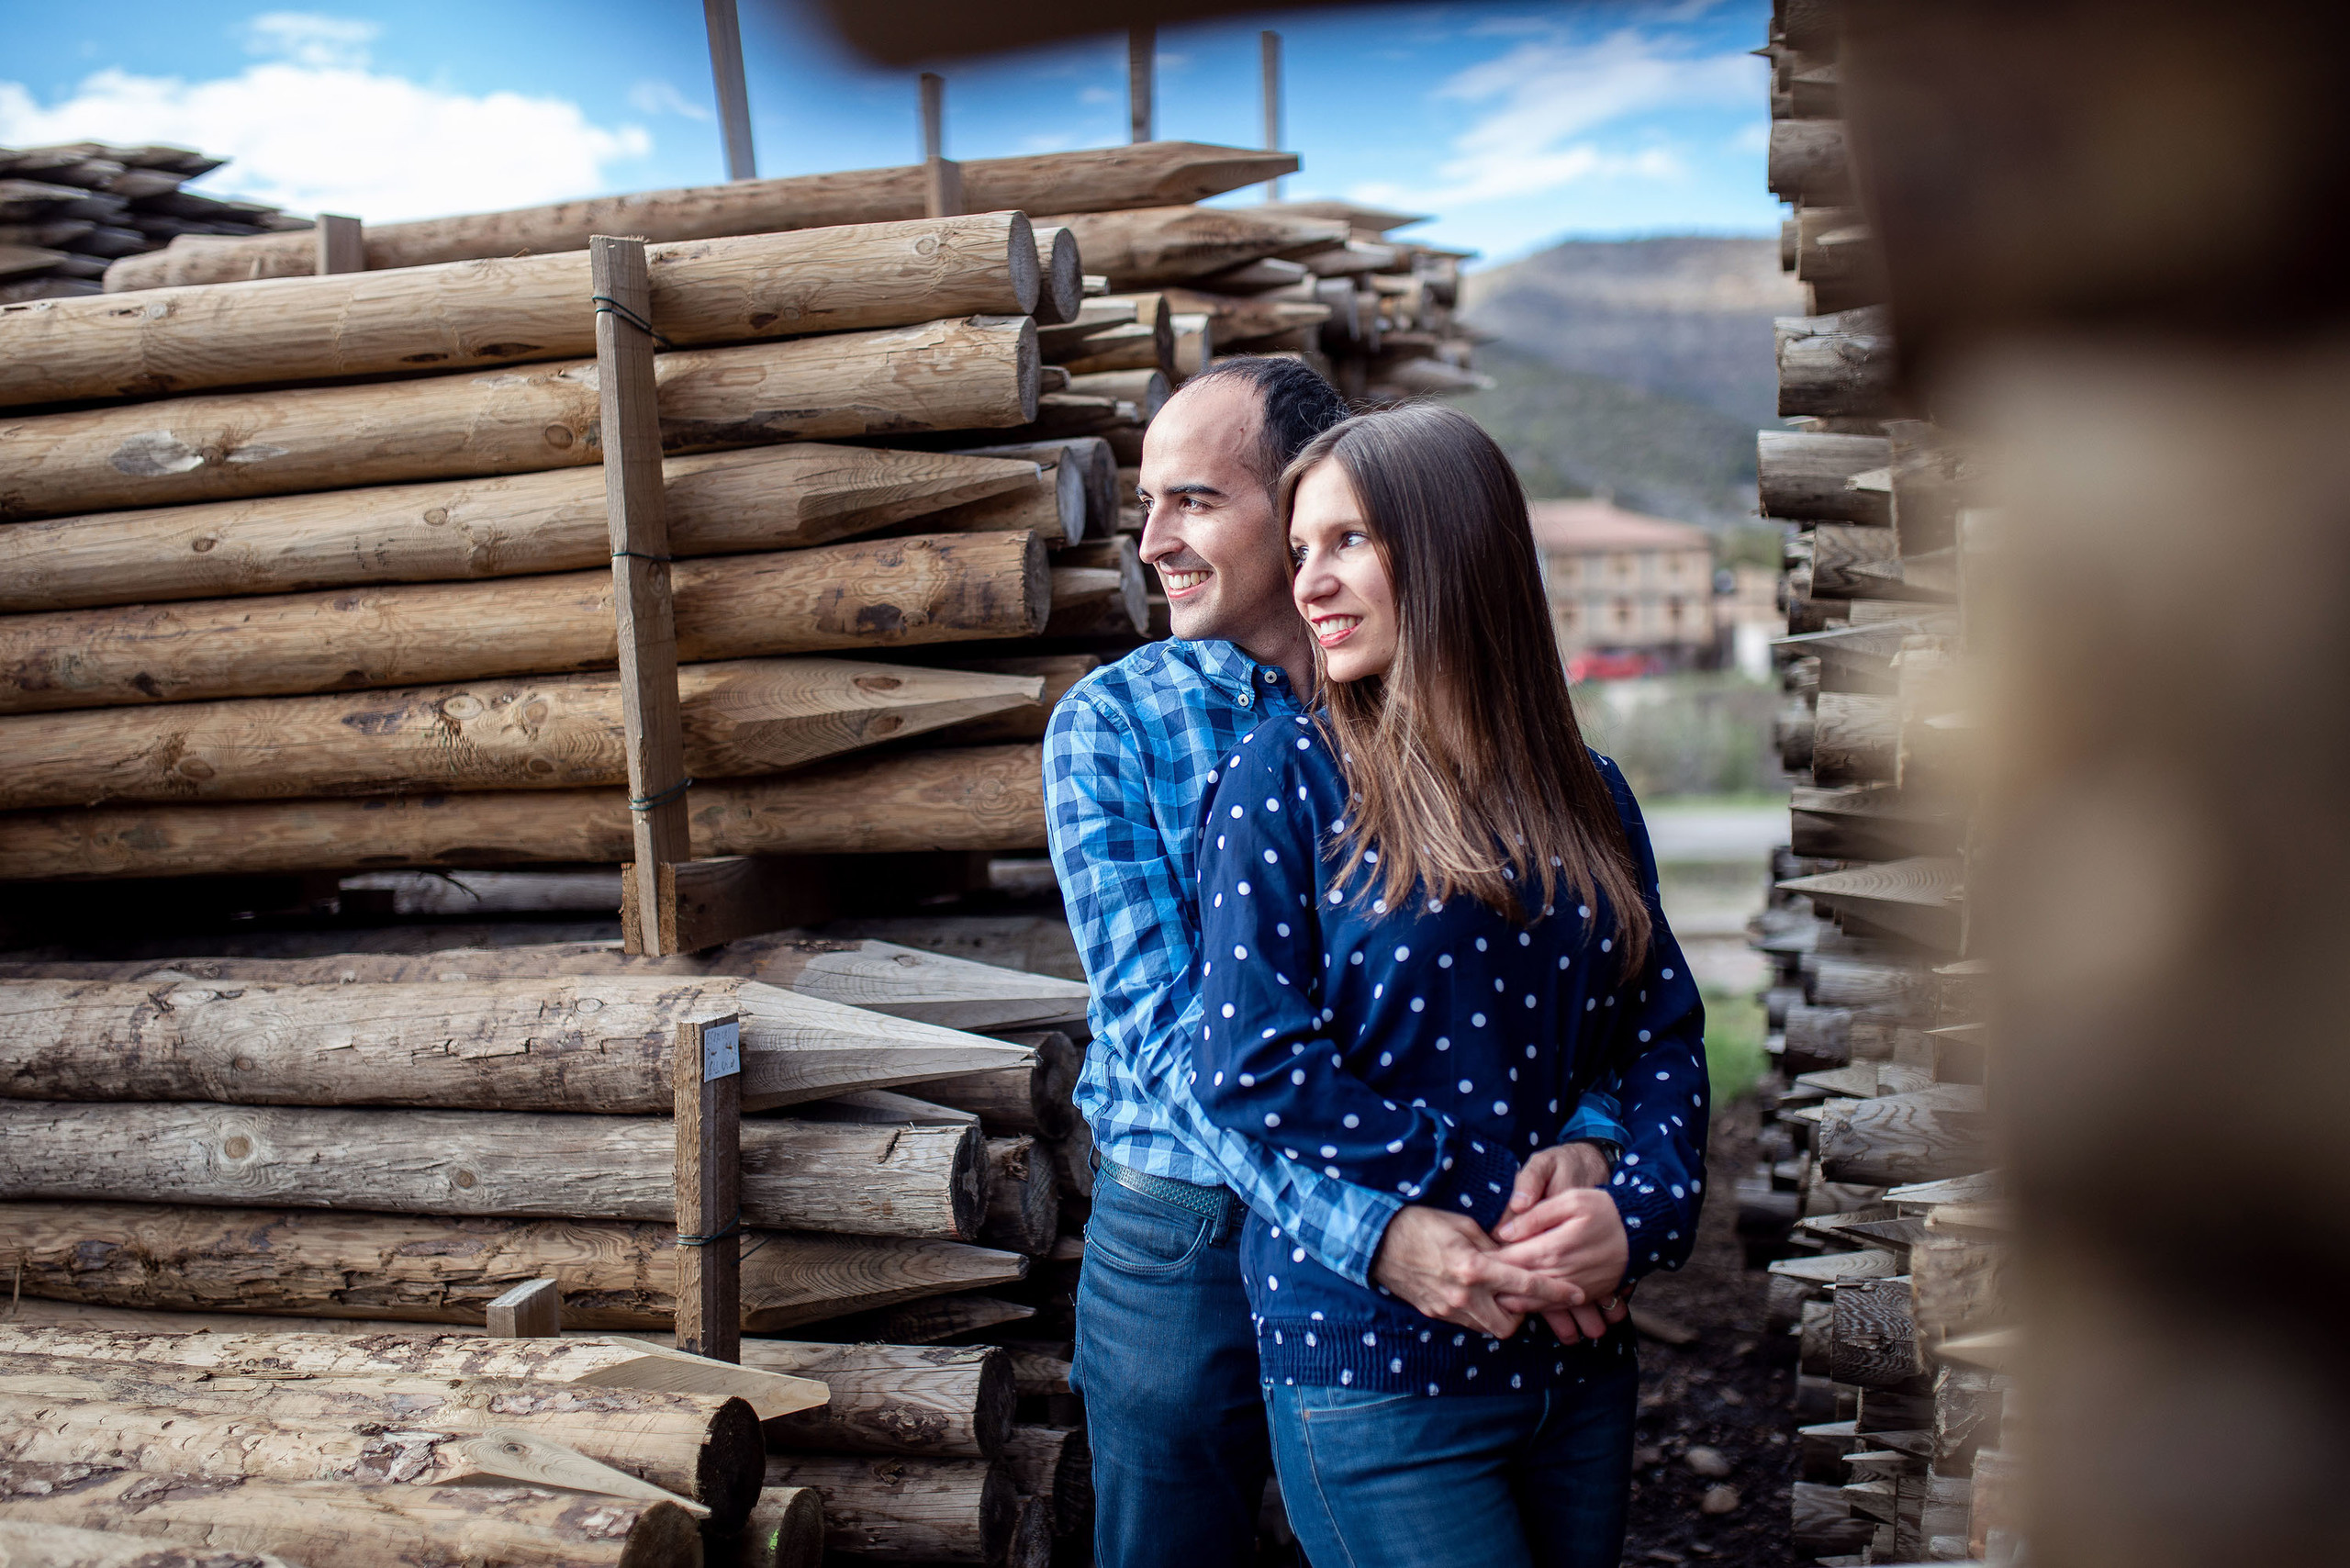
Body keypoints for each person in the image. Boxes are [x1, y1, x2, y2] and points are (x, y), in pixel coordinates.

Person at [1046, 361, 1639, 1568]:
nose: (1154, 543)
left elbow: (1565, 985)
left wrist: (1564, 1171)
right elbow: (1175, 1039)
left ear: (1305, 497)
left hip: (1429, 1193)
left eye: (1195, 501)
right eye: (1148, 506)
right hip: (1191, 1232)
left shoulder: (1439, 714)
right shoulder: (1112, 725)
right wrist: (1373, 1228)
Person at [1192, 401, 1710, 1568]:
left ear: (1453, 550)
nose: (1309, 582)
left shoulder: (1588, 789)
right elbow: (1251, 1062)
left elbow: (1661, 1032)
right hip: (1381, 1366)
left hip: (1578, 1360)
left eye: (1349, 541)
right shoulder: (1287, 777)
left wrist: (1636, 1216)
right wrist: (1509, 1205)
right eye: (1301, 547)